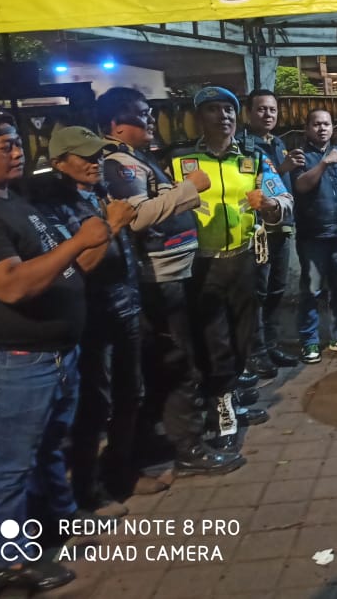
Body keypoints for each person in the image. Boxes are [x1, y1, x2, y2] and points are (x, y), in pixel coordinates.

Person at [0, 109, 109, 593]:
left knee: (47, 449)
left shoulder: (12, 200)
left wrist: (93, 241)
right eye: (3, 145)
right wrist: (79, 242)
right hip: (13, 363)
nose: (17, 150)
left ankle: (59, 521)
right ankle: (8, 558)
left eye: (16, 141)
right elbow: (10, 285)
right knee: (4, 468)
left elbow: (56, 268)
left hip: (55, 355)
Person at [97, 87, 245, 479]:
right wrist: (188, 188)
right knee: (178, 363)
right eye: (141, 114)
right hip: (157, 279)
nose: (151, 119)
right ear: (116, 124)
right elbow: (136, 217)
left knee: (176, 359)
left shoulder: (138, 158)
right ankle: (188, 447)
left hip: (174, 274)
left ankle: (171, 438)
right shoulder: (119, 163)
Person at [171, 86, 291, 451]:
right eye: (213, 109)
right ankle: (221, 406)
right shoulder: (181, 161)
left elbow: (283, 197)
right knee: (214, 340)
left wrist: (271, 205)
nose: (222, 116)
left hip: (244, 260)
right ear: (198, 118)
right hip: (200, 264)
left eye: (228, 109)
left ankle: (232, 393)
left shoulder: (253, 157)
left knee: (243, 337)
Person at [29, 127, 140, 518]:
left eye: (98, 155)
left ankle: (120, 476)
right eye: (85, 156)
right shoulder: (52, 207)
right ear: (59, 163)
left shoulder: (101, 192)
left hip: (126, 307)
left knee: (131, 394)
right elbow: (75, 268)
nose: (95, 163)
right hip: (91, 319)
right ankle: (87, 491)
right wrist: (113, 224)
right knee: (94, 407)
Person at [291, 109, 337, 364]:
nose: (322, 128)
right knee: (312, 290)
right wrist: (323, 163)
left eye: (326, 124)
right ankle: (309, 341)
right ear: (307, 128)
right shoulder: (300, 156)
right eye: (316, 124)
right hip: (313, 234)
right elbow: (300, 185)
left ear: (333, 128)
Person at [238, 89, 302, 376]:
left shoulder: (277, 142)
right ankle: (256, 352)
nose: (268, 115)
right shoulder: (243, 146)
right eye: (261, 109)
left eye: (272, 110)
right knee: (258, 292)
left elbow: (282, 186)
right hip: (259, 229)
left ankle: (272, 345)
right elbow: (249, 184)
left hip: (281, 226)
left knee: (277, 288)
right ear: (248, 113)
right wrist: (284, 167)